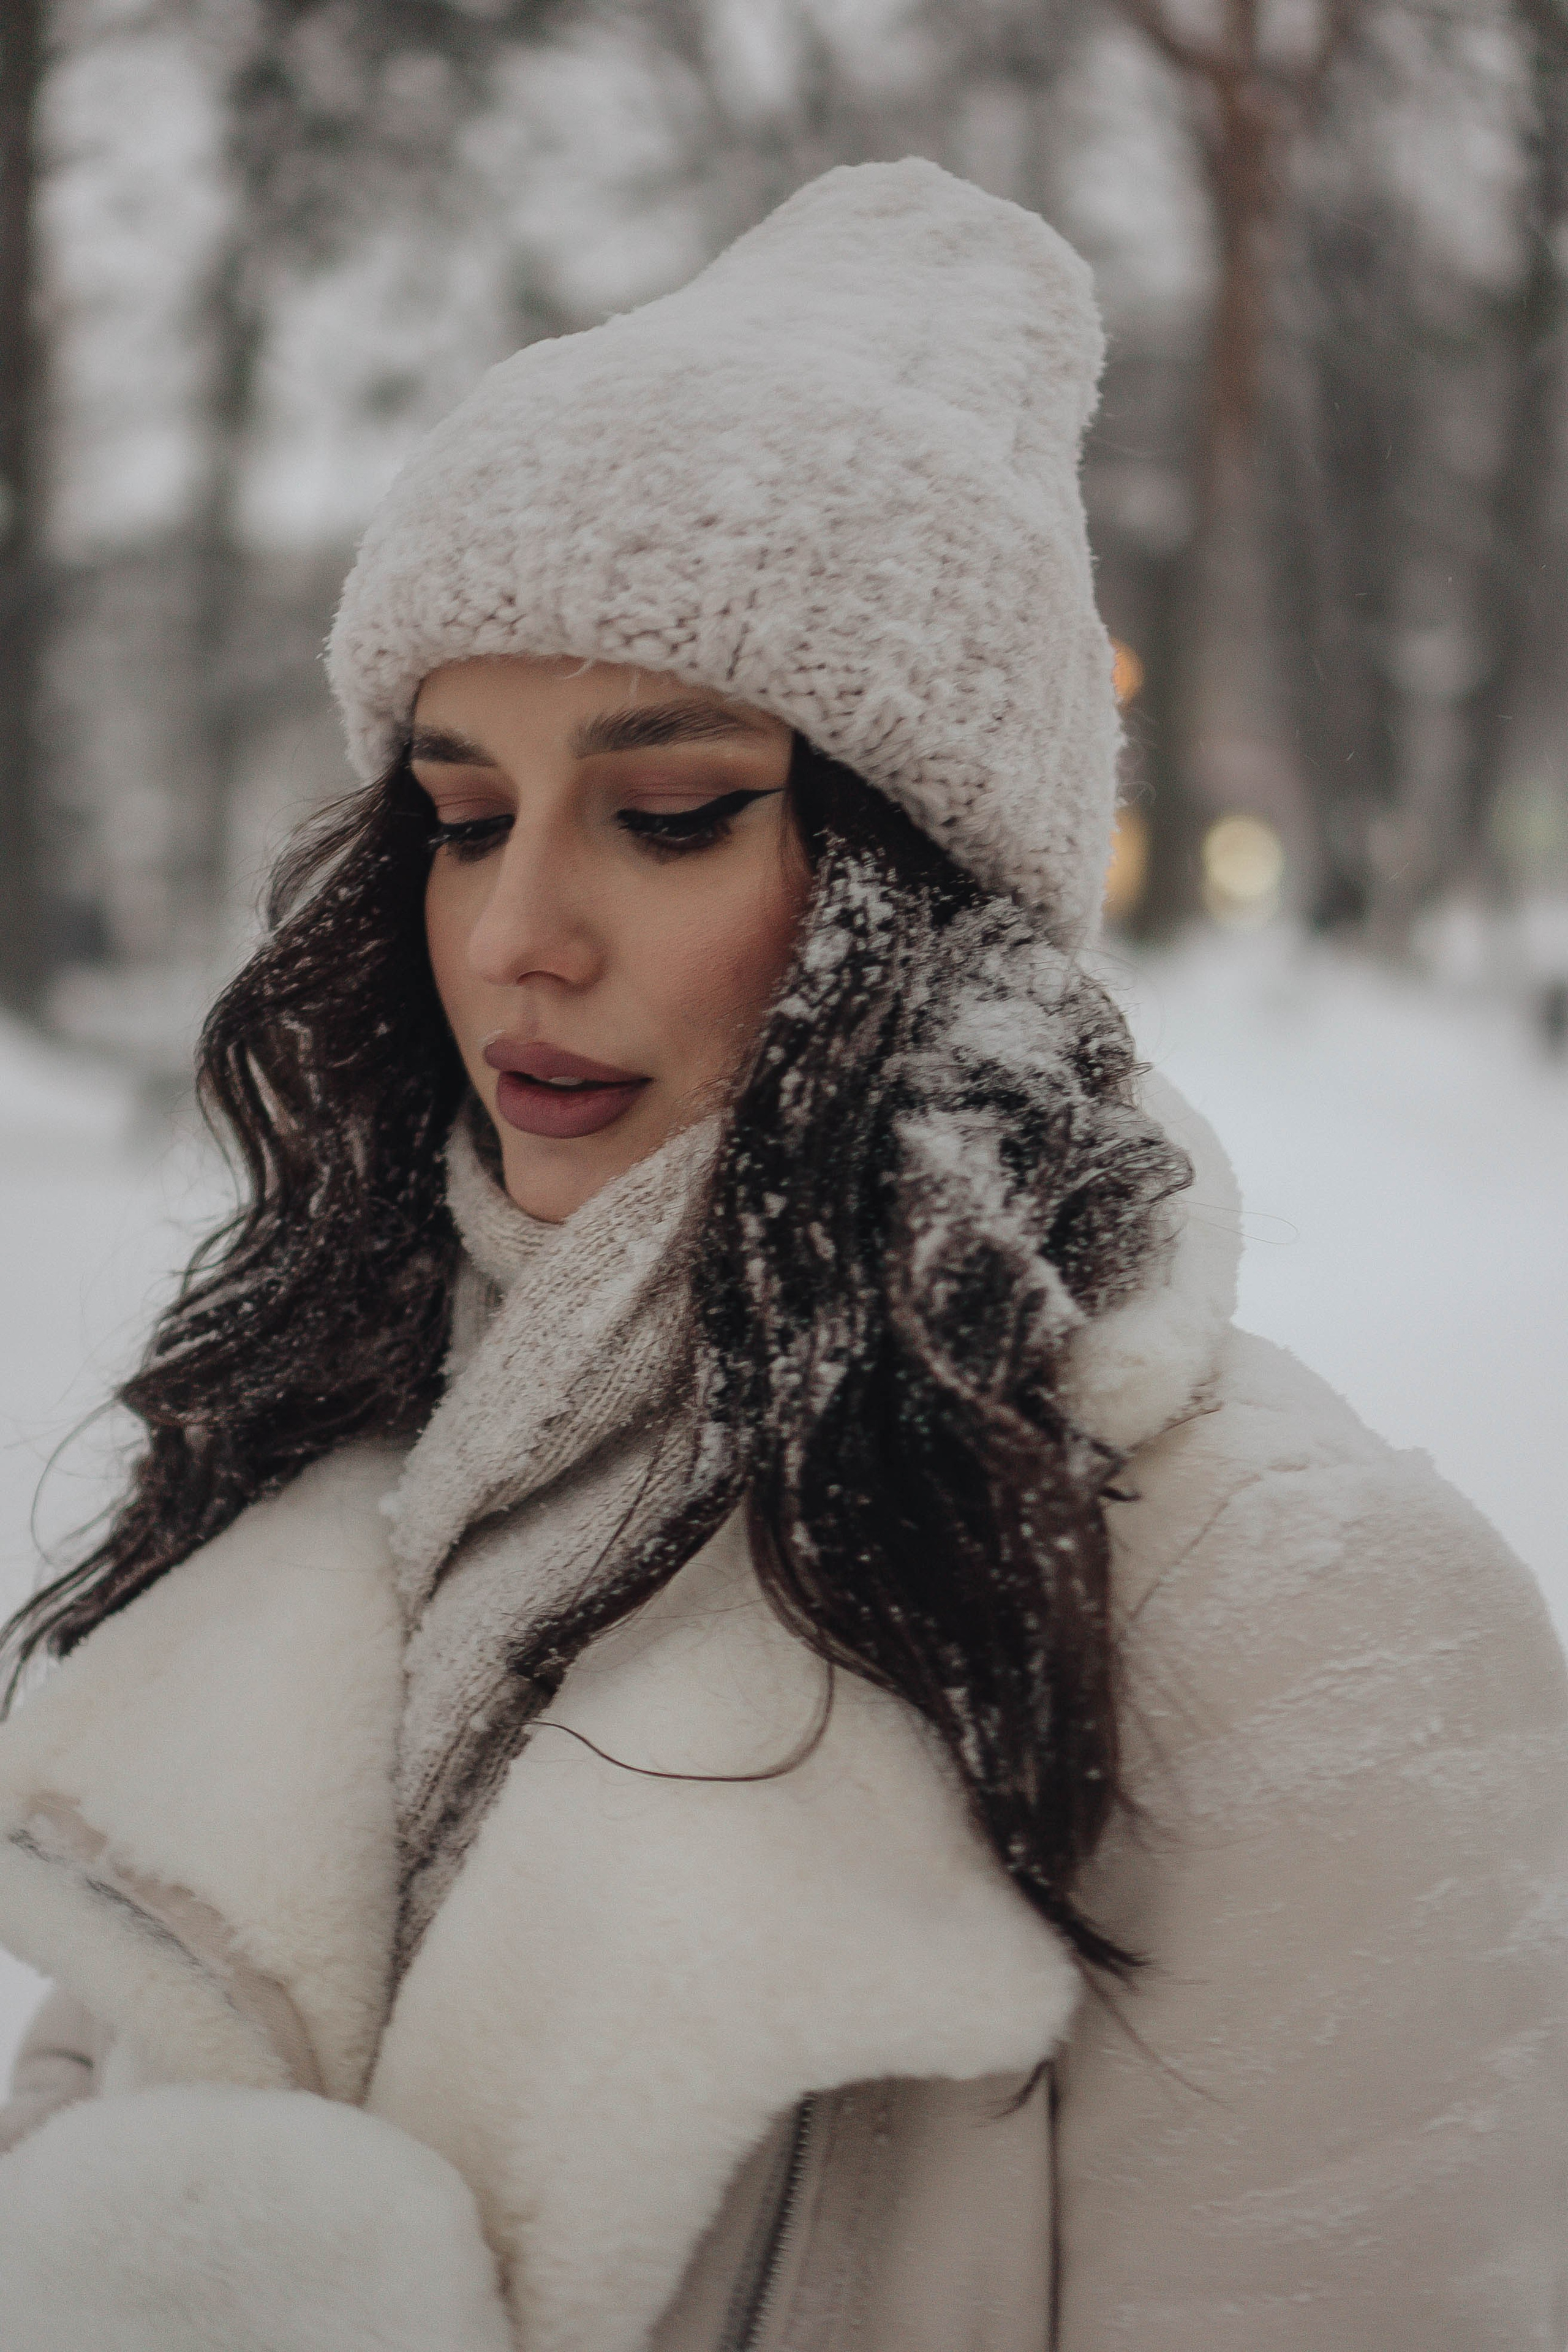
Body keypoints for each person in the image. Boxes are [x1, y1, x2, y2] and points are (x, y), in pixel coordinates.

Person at [0, 159, 1562, 2352]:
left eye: (669, 813)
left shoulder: (1293, 1617)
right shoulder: (333, 1464)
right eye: (459, 816)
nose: (521, 930)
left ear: (910, 892)